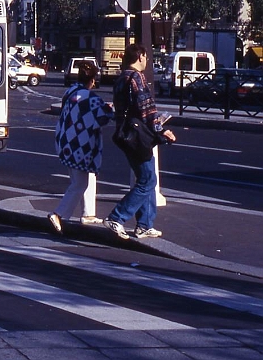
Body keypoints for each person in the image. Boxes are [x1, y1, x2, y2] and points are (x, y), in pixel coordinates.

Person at [105, 43, 177, 240]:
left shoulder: (122, 78)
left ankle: (144, 225)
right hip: (138, 137)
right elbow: (146, 110)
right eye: (146, 57)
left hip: (125, 134)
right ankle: (116, 217)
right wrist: (162, 130)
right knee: (147, 180)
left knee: (147, 178)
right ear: (140, 57)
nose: (147, 60)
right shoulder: (137, 77)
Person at [48, 61, 113, 234]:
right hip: (81, 146)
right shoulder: (91, 98)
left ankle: (88, 213)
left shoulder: (70, 91)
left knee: (82, 179)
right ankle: (58, 214)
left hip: (65, 142)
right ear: (92, 79)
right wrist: (109, 108)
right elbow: (104, 116)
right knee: (80, 183)